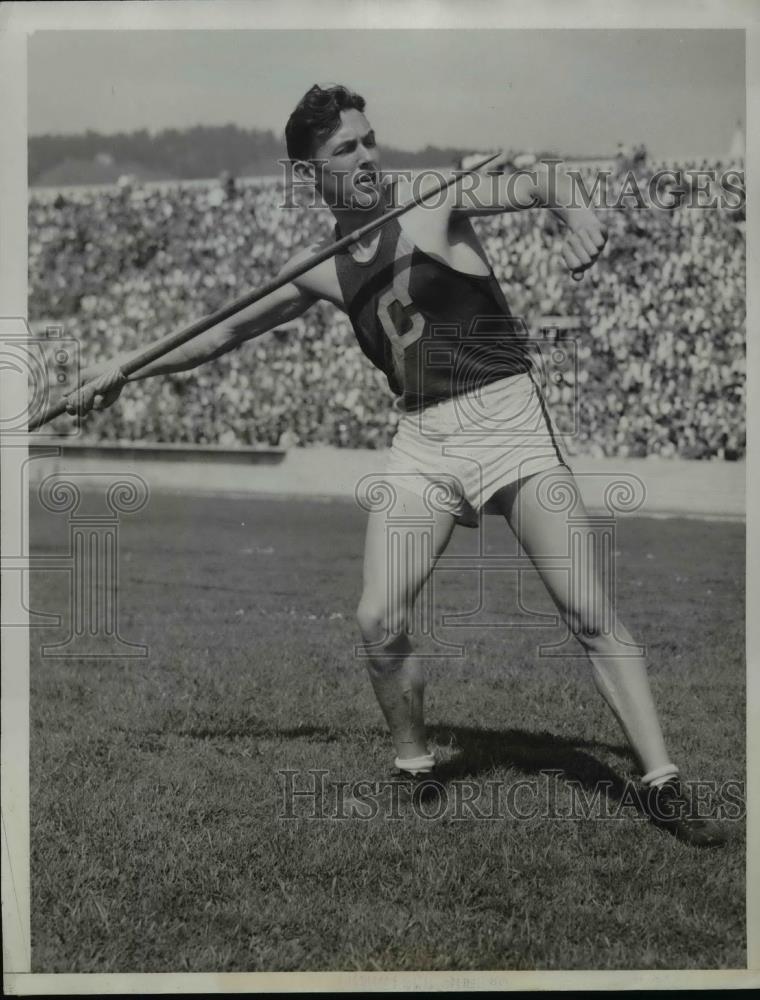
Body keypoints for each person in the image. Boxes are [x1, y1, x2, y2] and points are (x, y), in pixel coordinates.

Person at [64, 83, 725, 847]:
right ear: (310, 174)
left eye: (369, 139)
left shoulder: (428, 198)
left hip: (506, 414)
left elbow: (541, 178)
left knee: (585, 608)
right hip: (422, 441)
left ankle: (662, 780)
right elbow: (216, 338)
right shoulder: (318, 267)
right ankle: (413, 765)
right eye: (346, 149)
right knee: (377, 620)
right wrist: (122, 367)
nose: (368, 155)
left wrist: (575, 211)